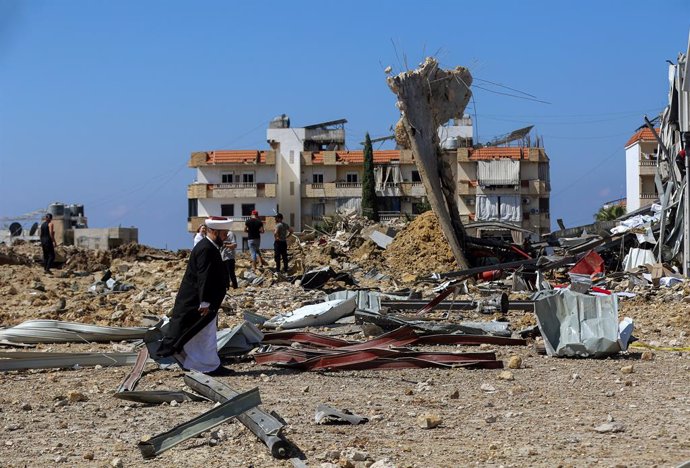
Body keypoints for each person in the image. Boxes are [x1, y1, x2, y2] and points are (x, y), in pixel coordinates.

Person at [156, 216, 232, 376]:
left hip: (204, 301)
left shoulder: (210, 247)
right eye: (224, 233)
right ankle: (208, 366)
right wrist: (204, 301)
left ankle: (203, 364)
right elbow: (203, 276)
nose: (226, 237)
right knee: (205, 336)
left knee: (201, 334)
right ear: (214, 232)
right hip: (198, 301)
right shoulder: (206, 248)